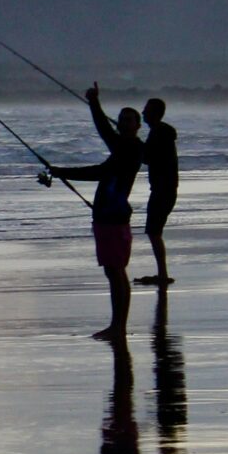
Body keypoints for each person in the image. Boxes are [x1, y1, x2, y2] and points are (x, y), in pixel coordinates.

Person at [40, 83, 145, 338]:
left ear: (138, 125)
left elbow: (99, 165)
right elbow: (106, 140)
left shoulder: (129, 149)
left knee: (116, 271)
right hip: (109, 215)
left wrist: (94, 103)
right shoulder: (125, 149)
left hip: (113, 217)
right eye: (121, 120)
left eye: (129, 120)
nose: (123, 123)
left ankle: (118, 327)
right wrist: (60, 172)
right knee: (114, 271)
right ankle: (118, 325)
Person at [137, 97, 178, 286]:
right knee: (155, 232)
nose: (143, 113)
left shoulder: (158, 134)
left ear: (154, 113)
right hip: (166, 190)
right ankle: (162, 272)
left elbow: (146, 158)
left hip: (162, 191)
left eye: (146, 110)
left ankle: (162, 274)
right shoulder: (161, 133)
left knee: (154, 232)